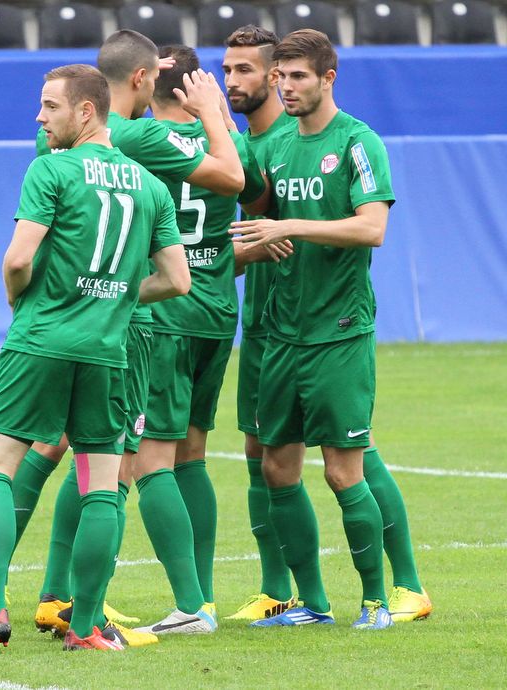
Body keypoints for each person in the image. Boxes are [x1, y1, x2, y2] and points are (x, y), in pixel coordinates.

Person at [0, 29, 246, 643]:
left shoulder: (78, 142)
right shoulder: (154, 139)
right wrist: (214, 112)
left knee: (70, 452)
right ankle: (126, 602)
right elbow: (235, 178)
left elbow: (27, 249)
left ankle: (46, 595)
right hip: (154, 317)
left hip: (85, 316)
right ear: (143, 78)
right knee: (126, 460)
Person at [0, 63, 190, 654]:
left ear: (86, 111)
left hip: (41, 340)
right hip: (109, 352)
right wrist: (117, 295)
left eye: (50, 106)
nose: (40, 117)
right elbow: (177, 280)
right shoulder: (150, 186)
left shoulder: (50, 169)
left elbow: (19, 259)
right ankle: (86, 625)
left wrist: (16, 297)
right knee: (101, 484)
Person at [223, 25, 431, 625]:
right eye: (280, 76)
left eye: (297, 77)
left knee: (344, 469)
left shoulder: (358, 141)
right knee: (275, 466)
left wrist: (292, 226)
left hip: (338, 330)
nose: (285, 87)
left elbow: (372, 227)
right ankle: (312, 604)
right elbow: (253, 221)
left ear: (328, 78)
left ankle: (378, 599)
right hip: (280, 332)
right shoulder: (275, 148)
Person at [130, 44, 269, 636]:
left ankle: (188, 605)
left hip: (165, 313)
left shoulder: (138, 141)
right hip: (216, 314)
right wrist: (218, 117)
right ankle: (204, 597)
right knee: (192, 455)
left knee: (146, 461)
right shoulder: (224, 144)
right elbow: (254, 190)